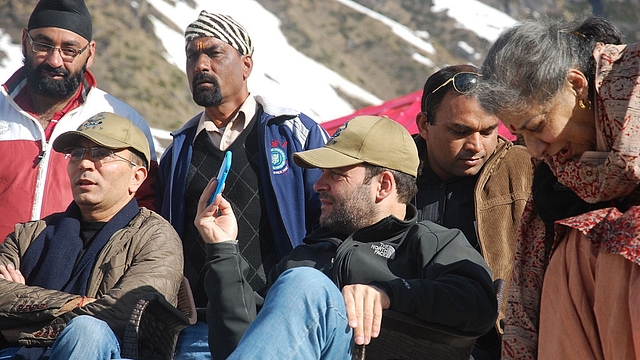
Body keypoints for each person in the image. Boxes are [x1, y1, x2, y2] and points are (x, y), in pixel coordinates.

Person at [195, 115, 498, 359]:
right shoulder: (308, 252)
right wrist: (222, 251)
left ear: (383, 185)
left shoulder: (430, 241)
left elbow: (479, 304)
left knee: (305, 283)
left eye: (336, 174)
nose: (318, 184)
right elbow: (243, 344)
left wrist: (390, 293)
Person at [156, 11, 328, 357]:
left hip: (277, 320)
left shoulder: (295, 134)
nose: (200, 65)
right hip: (198, 329)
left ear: (246, 65)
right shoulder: (178, 151)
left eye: (214, 53)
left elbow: (327, 223)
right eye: (192, 55)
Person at [476, 15, 640, 359]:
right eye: (521, 136)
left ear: (577, 86)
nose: (534, 149)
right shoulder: (555, 180)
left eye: (536, 125)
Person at [0, 112, 183, 360]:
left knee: (87, 331)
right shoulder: (30, 234)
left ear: (137, 177)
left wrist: (22, 328)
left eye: (100, 153)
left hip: (107, 352)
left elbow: (126, 314)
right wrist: (78, 303)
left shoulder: (155, 238)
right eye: (77, 153)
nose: (84, 164)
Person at [0, 0, 158, 241]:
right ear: (24, 42)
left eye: (69, 50)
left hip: (77, 276)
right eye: (43, 45)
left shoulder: (124, 121)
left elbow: (145, 212)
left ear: (90, 53)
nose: (55, 60)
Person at [413, 64, 532, 359]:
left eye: (488, 131)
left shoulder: (527, 170)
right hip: (403, 331)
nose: (476, 145)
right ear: (424, 125)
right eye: (460, 131)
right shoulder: (391, 173)